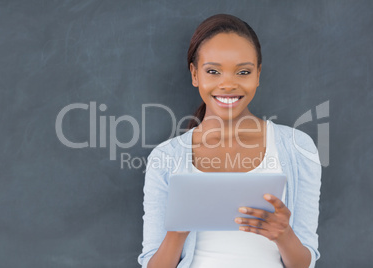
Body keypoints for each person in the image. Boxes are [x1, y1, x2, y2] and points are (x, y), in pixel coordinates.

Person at [137, 14, 321, 268]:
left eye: (243, 71)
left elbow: (305, 262)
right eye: (213, 71)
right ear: (194, 74)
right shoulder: (165, 158)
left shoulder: (298, 148)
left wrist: (284, 235)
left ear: (257, 75)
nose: (227, 84)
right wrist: (178, 230)